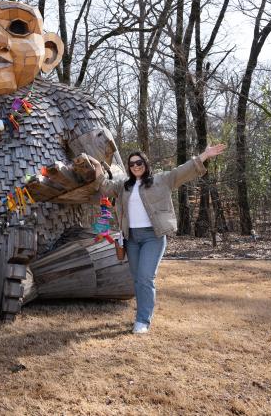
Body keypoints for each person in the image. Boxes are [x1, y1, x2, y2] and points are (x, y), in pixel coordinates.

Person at [95, 143, 226, 334]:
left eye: (139, 162)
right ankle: (141, 313)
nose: (135, 166)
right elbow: (105, 187)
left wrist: (204, 155)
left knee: (146, 277)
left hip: (153, 236)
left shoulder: (161, 180)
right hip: (131, 238)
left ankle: (142, 320)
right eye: (132, 164)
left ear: (146, 164)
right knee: (138, 279)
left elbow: (182, 171)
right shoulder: (124, 185)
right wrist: (98, 168)